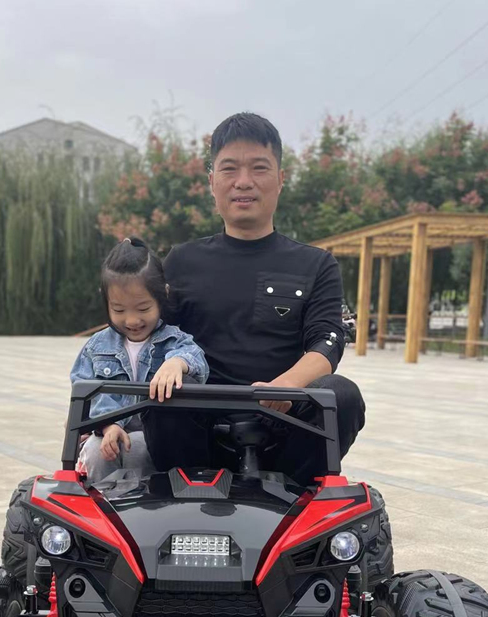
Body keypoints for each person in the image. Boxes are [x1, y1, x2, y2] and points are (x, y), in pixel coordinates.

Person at [142, 111, 365, 486]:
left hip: (283, 423)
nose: (243, 182)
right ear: (212, 182)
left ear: (280, 179)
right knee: (161, 388)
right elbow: (149, 338)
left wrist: (286, 386)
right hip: (197, 426)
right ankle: (188, 492)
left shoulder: (317, 264)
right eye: (229, 169)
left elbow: (328, 343)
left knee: (341, 394)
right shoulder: (181, 261)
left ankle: (294, 499)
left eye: (259, 168)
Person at [71, 235, 208, 484]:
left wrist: (177, 363)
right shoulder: (96, 346)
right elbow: (84, 391)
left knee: (138, 447)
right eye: (119, 310)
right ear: (106, 301)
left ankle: (141, 505)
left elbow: (197, 359)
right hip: (105, 429)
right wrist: (108, 425)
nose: (132, 320)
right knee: (97, 450)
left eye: (143, 309)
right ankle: (101, 502)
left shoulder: (173, 339)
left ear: (163, 295)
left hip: (151, 436)